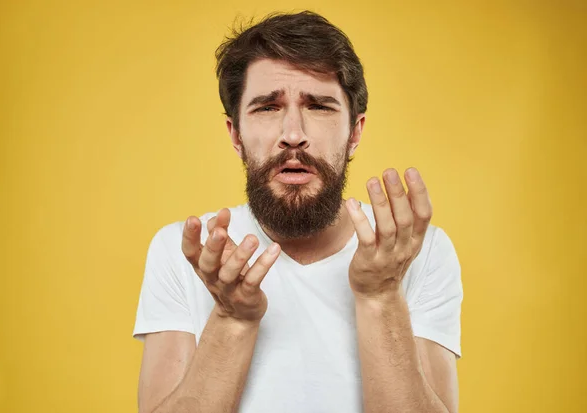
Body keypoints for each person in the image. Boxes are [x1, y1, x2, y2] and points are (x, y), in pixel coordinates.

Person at [132, 10, 463, 413]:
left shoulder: (415, 250)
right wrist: (232, 318)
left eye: (319, 106)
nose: (293, 134)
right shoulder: (187, 252)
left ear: (355, 132)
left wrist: (380, 295)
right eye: (268, 108)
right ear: (235, 135)